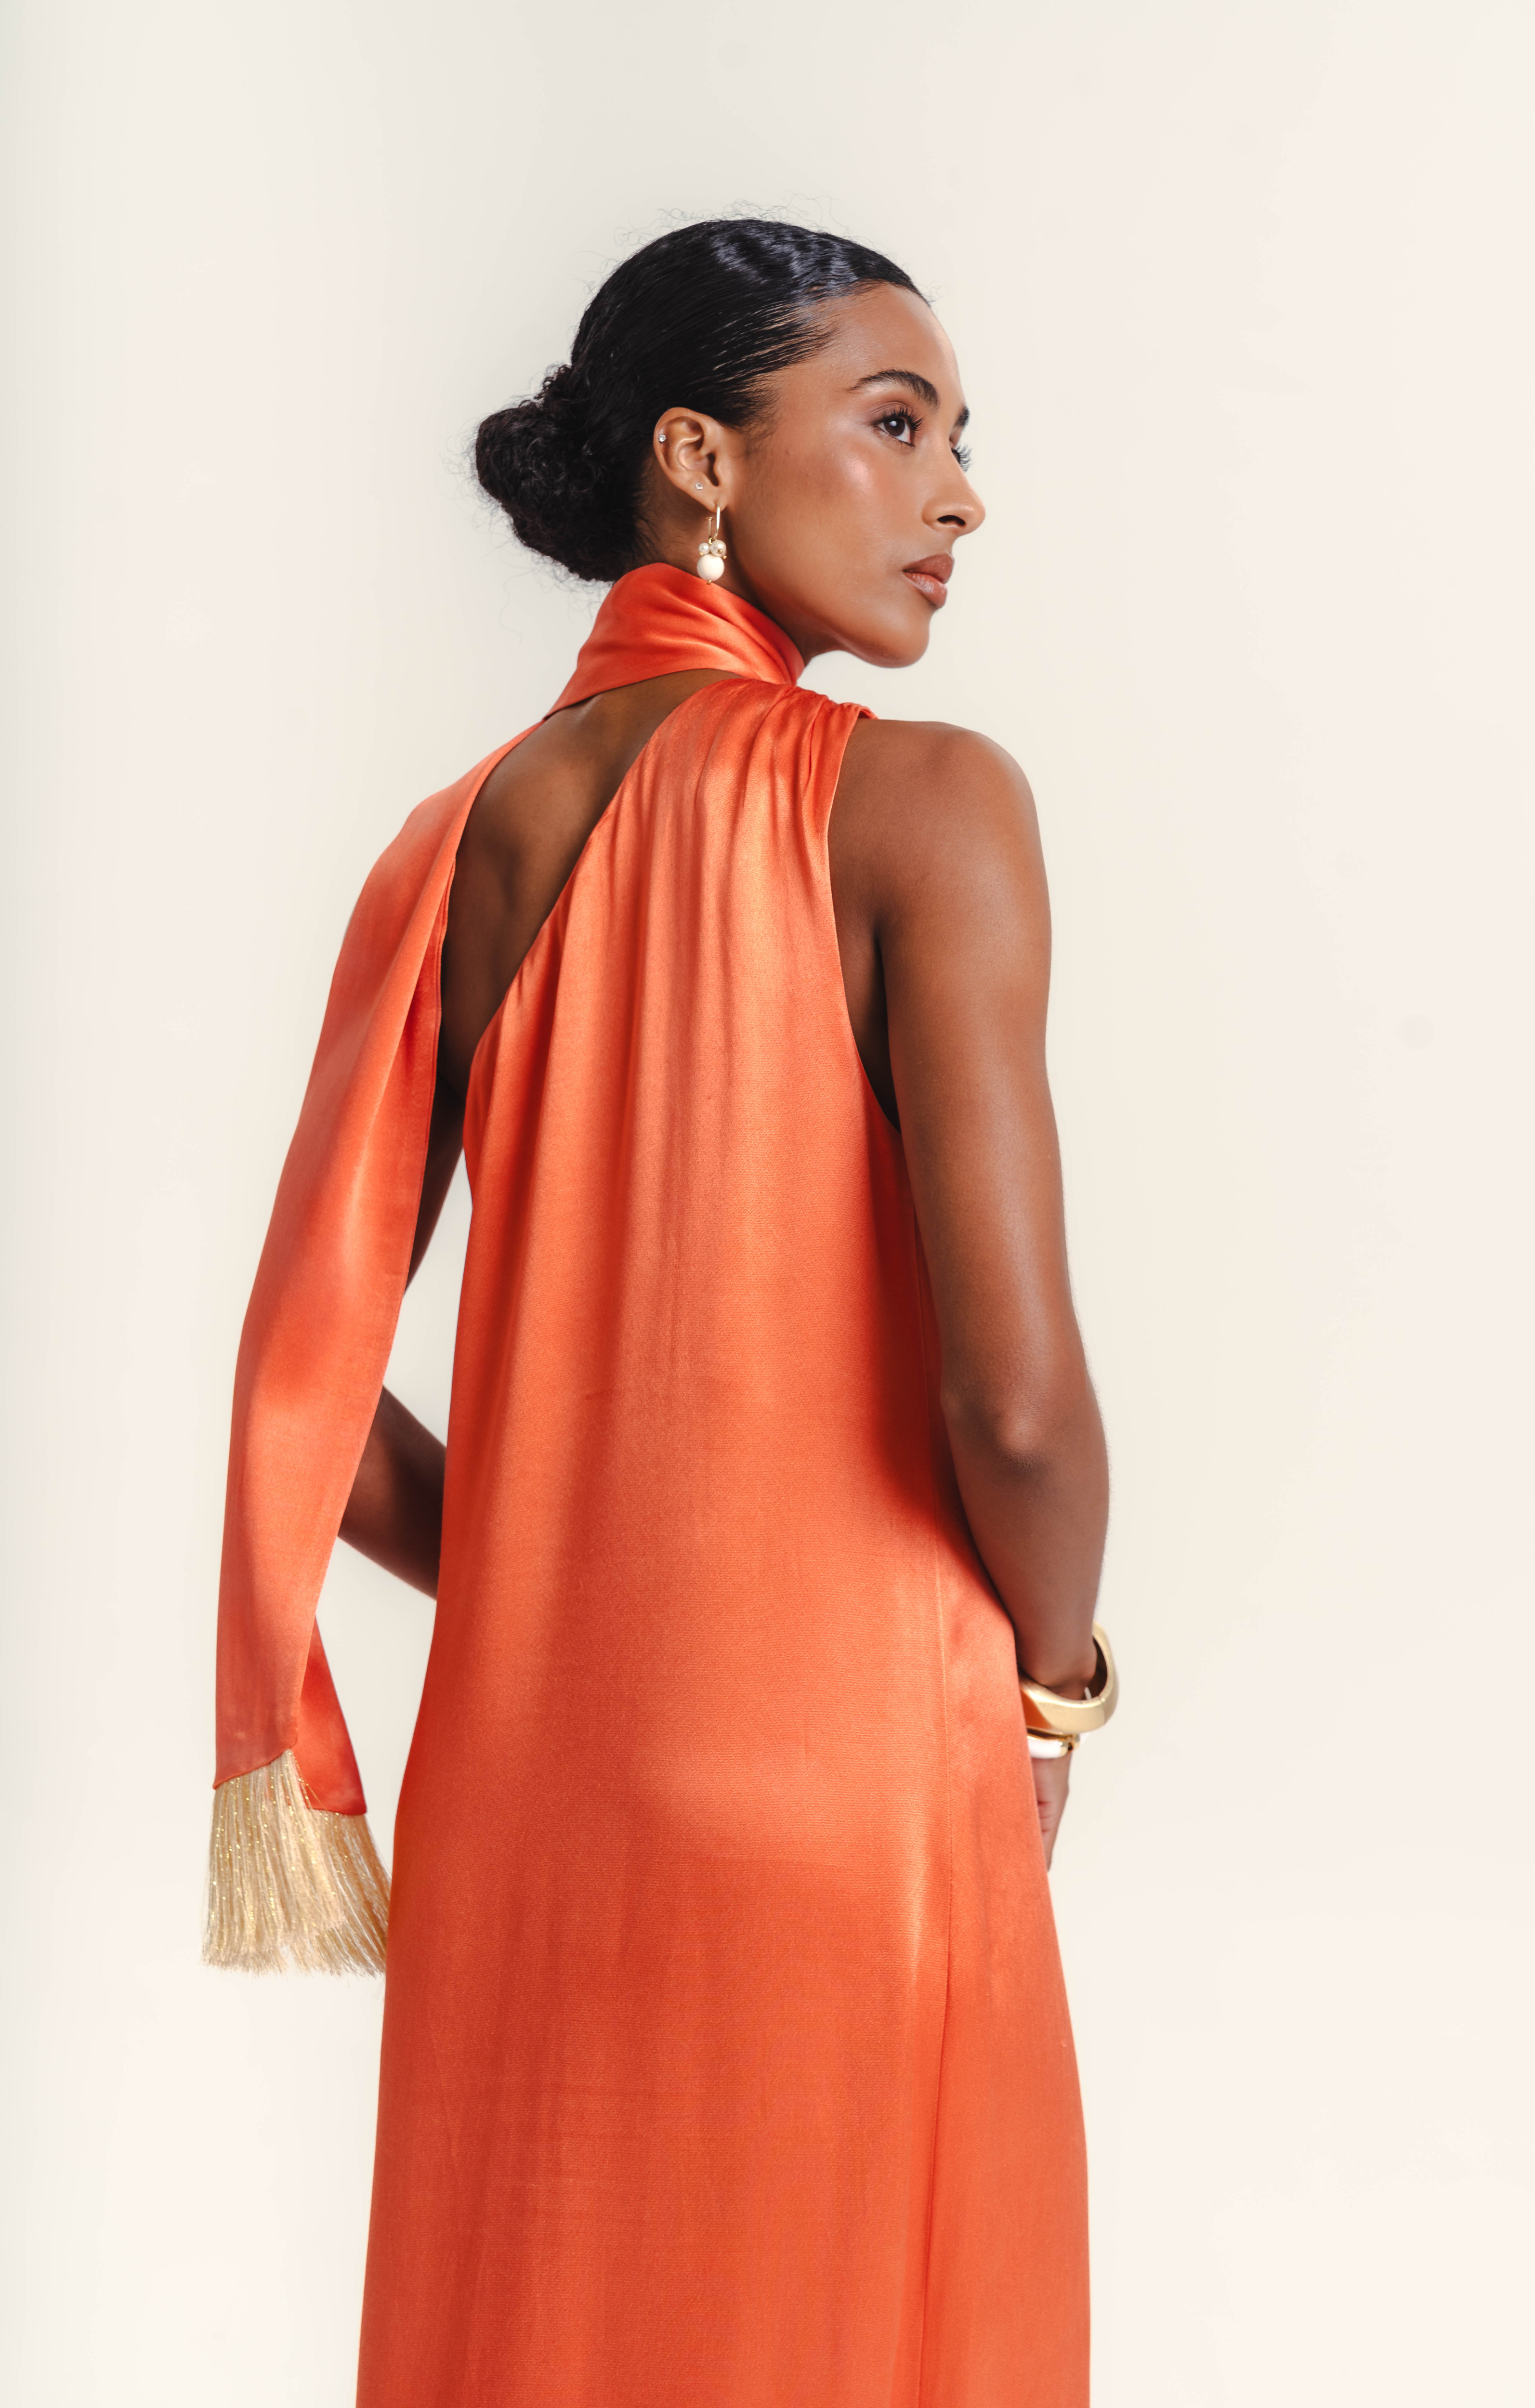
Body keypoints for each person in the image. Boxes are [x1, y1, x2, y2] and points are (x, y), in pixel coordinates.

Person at [205, 218, 1113, 2408]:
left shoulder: (452, 846)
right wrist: (1056, 1690)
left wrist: (574, 1584)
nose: (962, 496)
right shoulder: (928, 802)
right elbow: (1013, 1402)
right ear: (701, 458)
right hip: (852, 1775)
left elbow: (309, 1395)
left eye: (958, 440)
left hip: (532, 1804)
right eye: (896, 423)